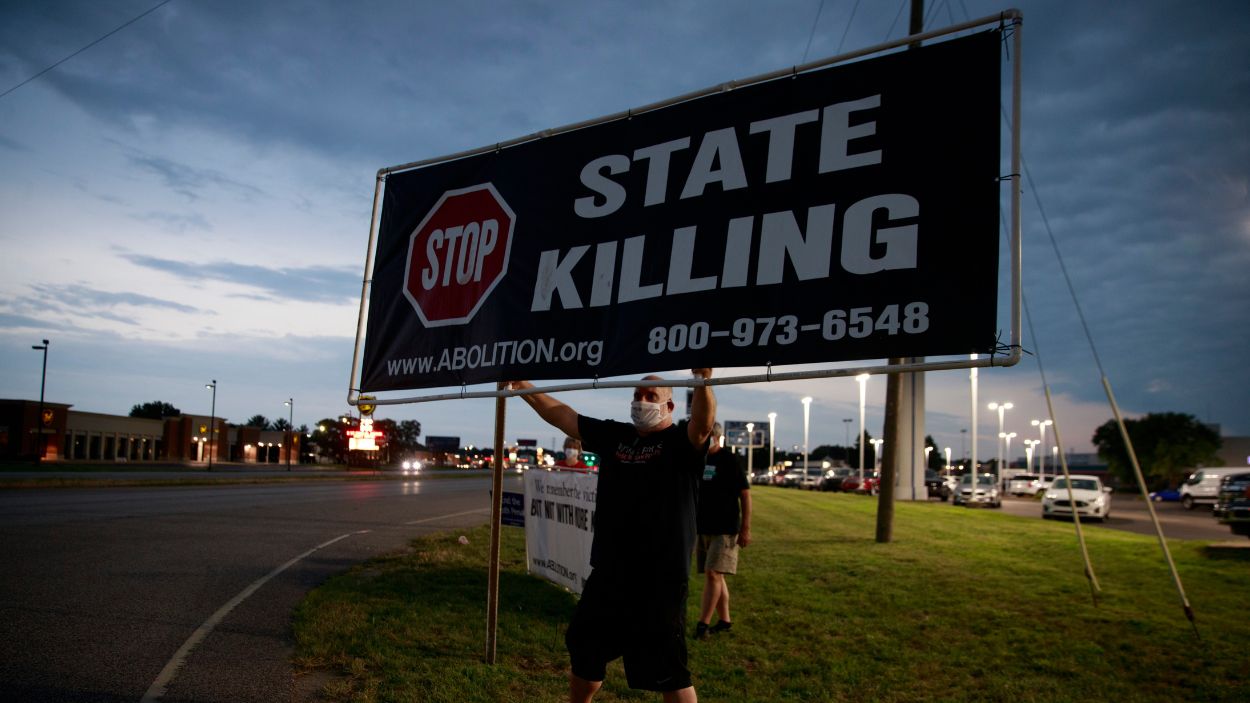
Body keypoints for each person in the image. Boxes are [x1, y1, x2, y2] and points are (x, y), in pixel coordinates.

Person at [510, 370, 715, 703]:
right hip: (610, 572)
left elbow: (703, 425)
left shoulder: (680, 442)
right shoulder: (616, 436)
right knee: (584, 648)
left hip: (659, 579)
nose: (641, 401)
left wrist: (703, 381)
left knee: (668, 671)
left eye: (651, 396)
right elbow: (562, 416)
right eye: (637, 394)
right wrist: (522, 387)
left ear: (670, 405)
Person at [693, 422, 751, 639]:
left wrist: (745, 529)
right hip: (704, 527)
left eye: (707, 435)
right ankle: (725, 620)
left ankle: (703, 624)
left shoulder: (730, 460)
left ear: (716, 437)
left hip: (725, 528)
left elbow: (745, 495)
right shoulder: (700, 459)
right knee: (716, 576)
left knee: (713, 573)